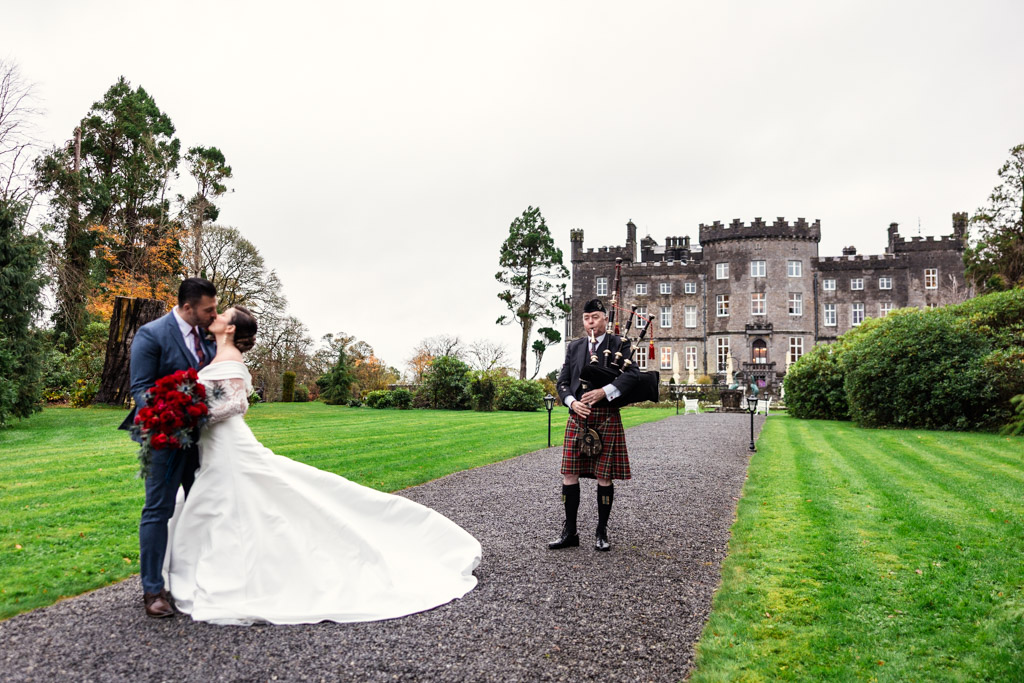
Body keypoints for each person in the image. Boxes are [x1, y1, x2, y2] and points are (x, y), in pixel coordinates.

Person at [163, 306, 481, 625]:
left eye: (223, 315)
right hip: (216, 447)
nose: (216, 317)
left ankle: (244, 574)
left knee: (258, 500)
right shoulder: (216, 355)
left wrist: (194, 414)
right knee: (246, 500)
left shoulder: (230, 358)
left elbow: (236, 404)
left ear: (230, 329)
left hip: (229, 447)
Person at [120, 278, 218, 618]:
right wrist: (172, 415)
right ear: (188, 307)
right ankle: (153, 591)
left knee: (203, 505)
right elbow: (141, 389)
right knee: (158, 509)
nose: (213, 314)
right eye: (208, 309)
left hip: (203, 440)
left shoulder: (208, 336)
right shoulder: (152, 334)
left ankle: (200, 577)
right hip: (163, 439)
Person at [551, 298, 640, 552]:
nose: (591, 323)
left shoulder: (619, 343)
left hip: (606, 415)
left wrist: (605, 392)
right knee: (569, 473)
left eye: (596, 318)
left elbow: (632, 375)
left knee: (604, 475)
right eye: (586, 319)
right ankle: (570, 532)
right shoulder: (576, 346)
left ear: (605, 319)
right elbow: (563, 382)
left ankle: (601, 531)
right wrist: (571, 402)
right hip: (579, 417)